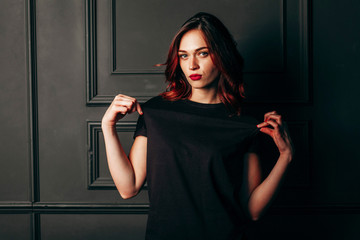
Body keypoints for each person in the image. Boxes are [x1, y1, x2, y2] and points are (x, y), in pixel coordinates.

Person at [101, 12, 294, 240]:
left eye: (202, 53)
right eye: (184, 56)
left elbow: (252, 211)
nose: (192, 65)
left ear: (221, 56)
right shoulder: (156, 113)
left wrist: (286, 155)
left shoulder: (243, 124)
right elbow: (128, 188)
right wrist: (108, 126)